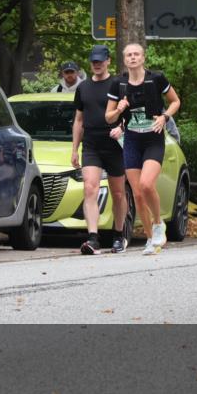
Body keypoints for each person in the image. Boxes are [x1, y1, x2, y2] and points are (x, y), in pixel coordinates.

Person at [105, 42, 181, 255]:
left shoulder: (156, 79)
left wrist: (165, 117)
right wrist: (119, 109)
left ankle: (158, 225)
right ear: (124, 59)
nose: (132, 57)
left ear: (143, 57)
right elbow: (108, 117)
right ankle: (150, 239)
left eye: (136, 54)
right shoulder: (118, 84)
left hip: (153, 139)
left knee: (147, 184)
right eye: (128, 54)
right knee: (137, 194)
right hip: (131, 140)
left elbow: (175, 101)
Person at [72, 44, 129, 255]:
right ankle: (93, 239)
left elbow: (130, 114)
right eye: (93, 61)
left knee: (118, 193)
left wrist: (122, 128)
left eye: (100, 61)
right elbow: (78, 120)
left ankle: (118, 235)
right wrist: (74, 149)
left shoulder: (119, 84)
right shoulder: (83, 87)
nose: (97, 64)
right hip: (91, 145)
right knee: (90, 188)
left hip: (115, 145)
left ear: (108, 61)